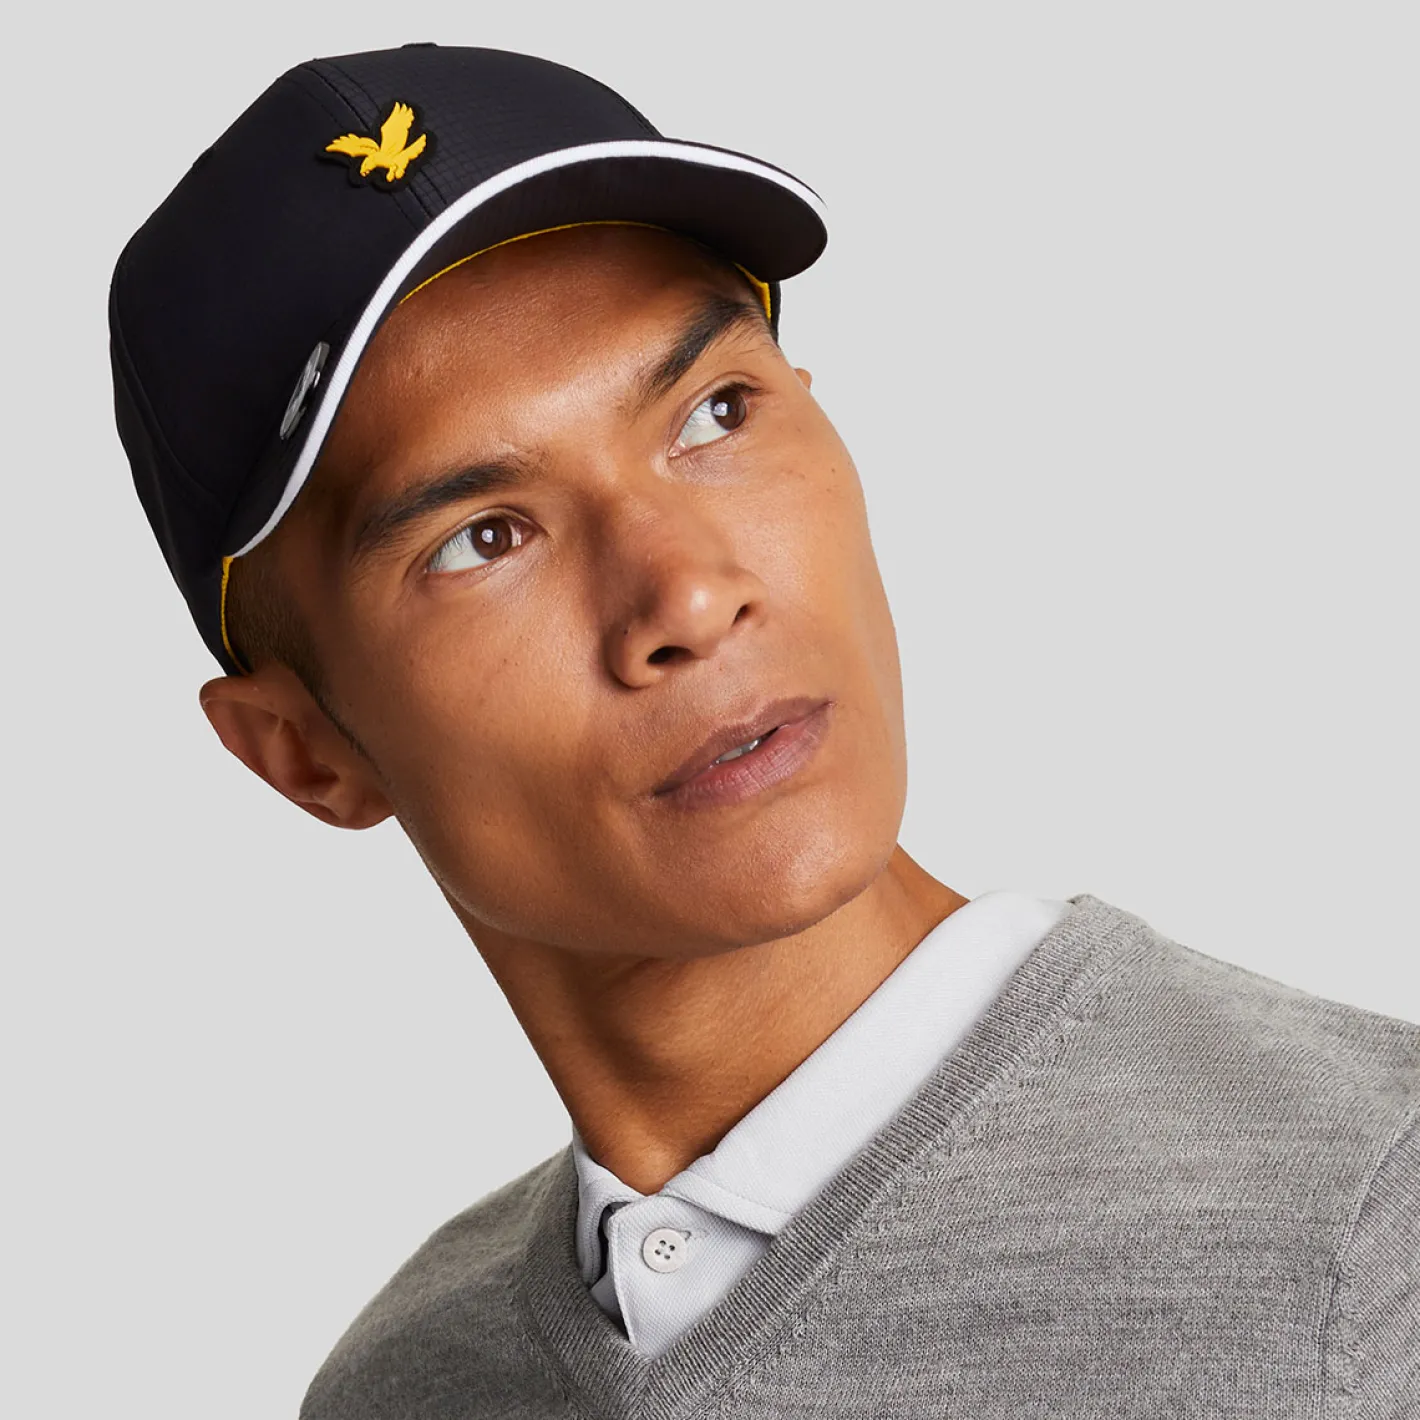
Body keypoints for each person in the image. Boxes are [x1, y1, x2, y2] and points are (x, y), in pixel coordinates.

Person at [109, 42, 1418, 1420]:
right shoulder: (408, 1389)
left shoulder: (1373, 1231)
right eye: (484, 537)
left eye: (715, 413)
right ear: (302, 752)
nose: (686, 595)